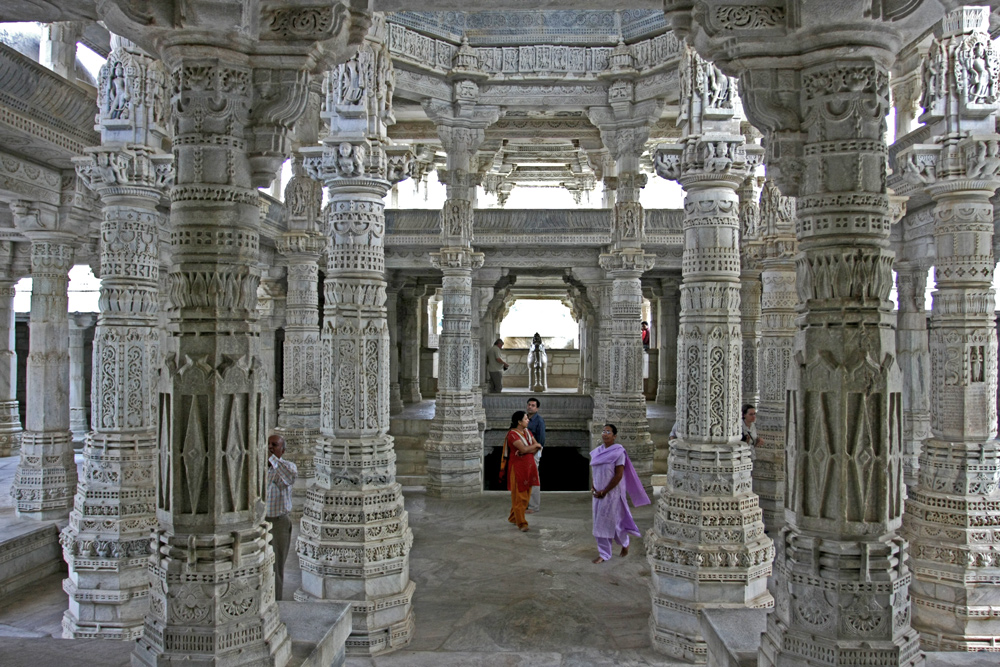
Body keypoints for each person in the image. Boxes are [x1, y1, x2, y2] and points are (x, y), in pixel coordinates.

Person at [590, 424, 650, 564]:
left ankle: (625, 542)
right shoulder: (597, 452)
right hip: (597, 493)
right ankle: (604, 553)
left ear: (614, 436)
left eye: (608, 432)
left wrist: (605, 490)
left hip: (611, 493)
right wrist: (594, 487)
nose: (605, 434)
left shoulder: (619, 452)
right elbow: (596, 472)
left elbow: (618, 475)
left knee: (614, 523)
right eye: (603, 431)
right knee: (599, 523)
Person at [265, 434, 297, 600]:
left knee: (276, 566)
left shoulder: (287, 467)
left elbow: (289, 478)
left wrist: (272, 459)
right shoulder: (262, 468)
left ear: (282, 450)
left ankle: (276, 602)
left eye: (274, 445)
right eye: (268, 444)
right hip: (262, 523)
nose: (270, 447)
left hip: (278, 524)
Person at [502, 410, 540, 532]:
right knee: (520, 496)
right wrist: (529, 448)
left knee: (527, 494)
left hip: (529, 466)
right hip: (518, 468)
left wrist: (527, 449)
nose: (528, 420)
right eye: (525, 419)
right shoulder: (512, 434)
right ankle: (522, 523)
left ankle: (514, 517)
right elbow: (526, 447)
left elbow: (536, 446)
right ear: (519, 422)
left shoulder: (527, 432)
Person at [526, 397, 546, 514]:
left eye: (533, 405)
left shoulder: (539, 421)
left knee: (533, 478)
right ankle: (526, 503)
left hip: (533, 453)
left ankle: (533, 506)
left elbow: (541, 440)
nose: (530, 407)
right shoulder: (524, 419)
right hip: (524, 452)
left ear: (537, 408)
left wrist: (534, 451)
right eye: (529, 405)